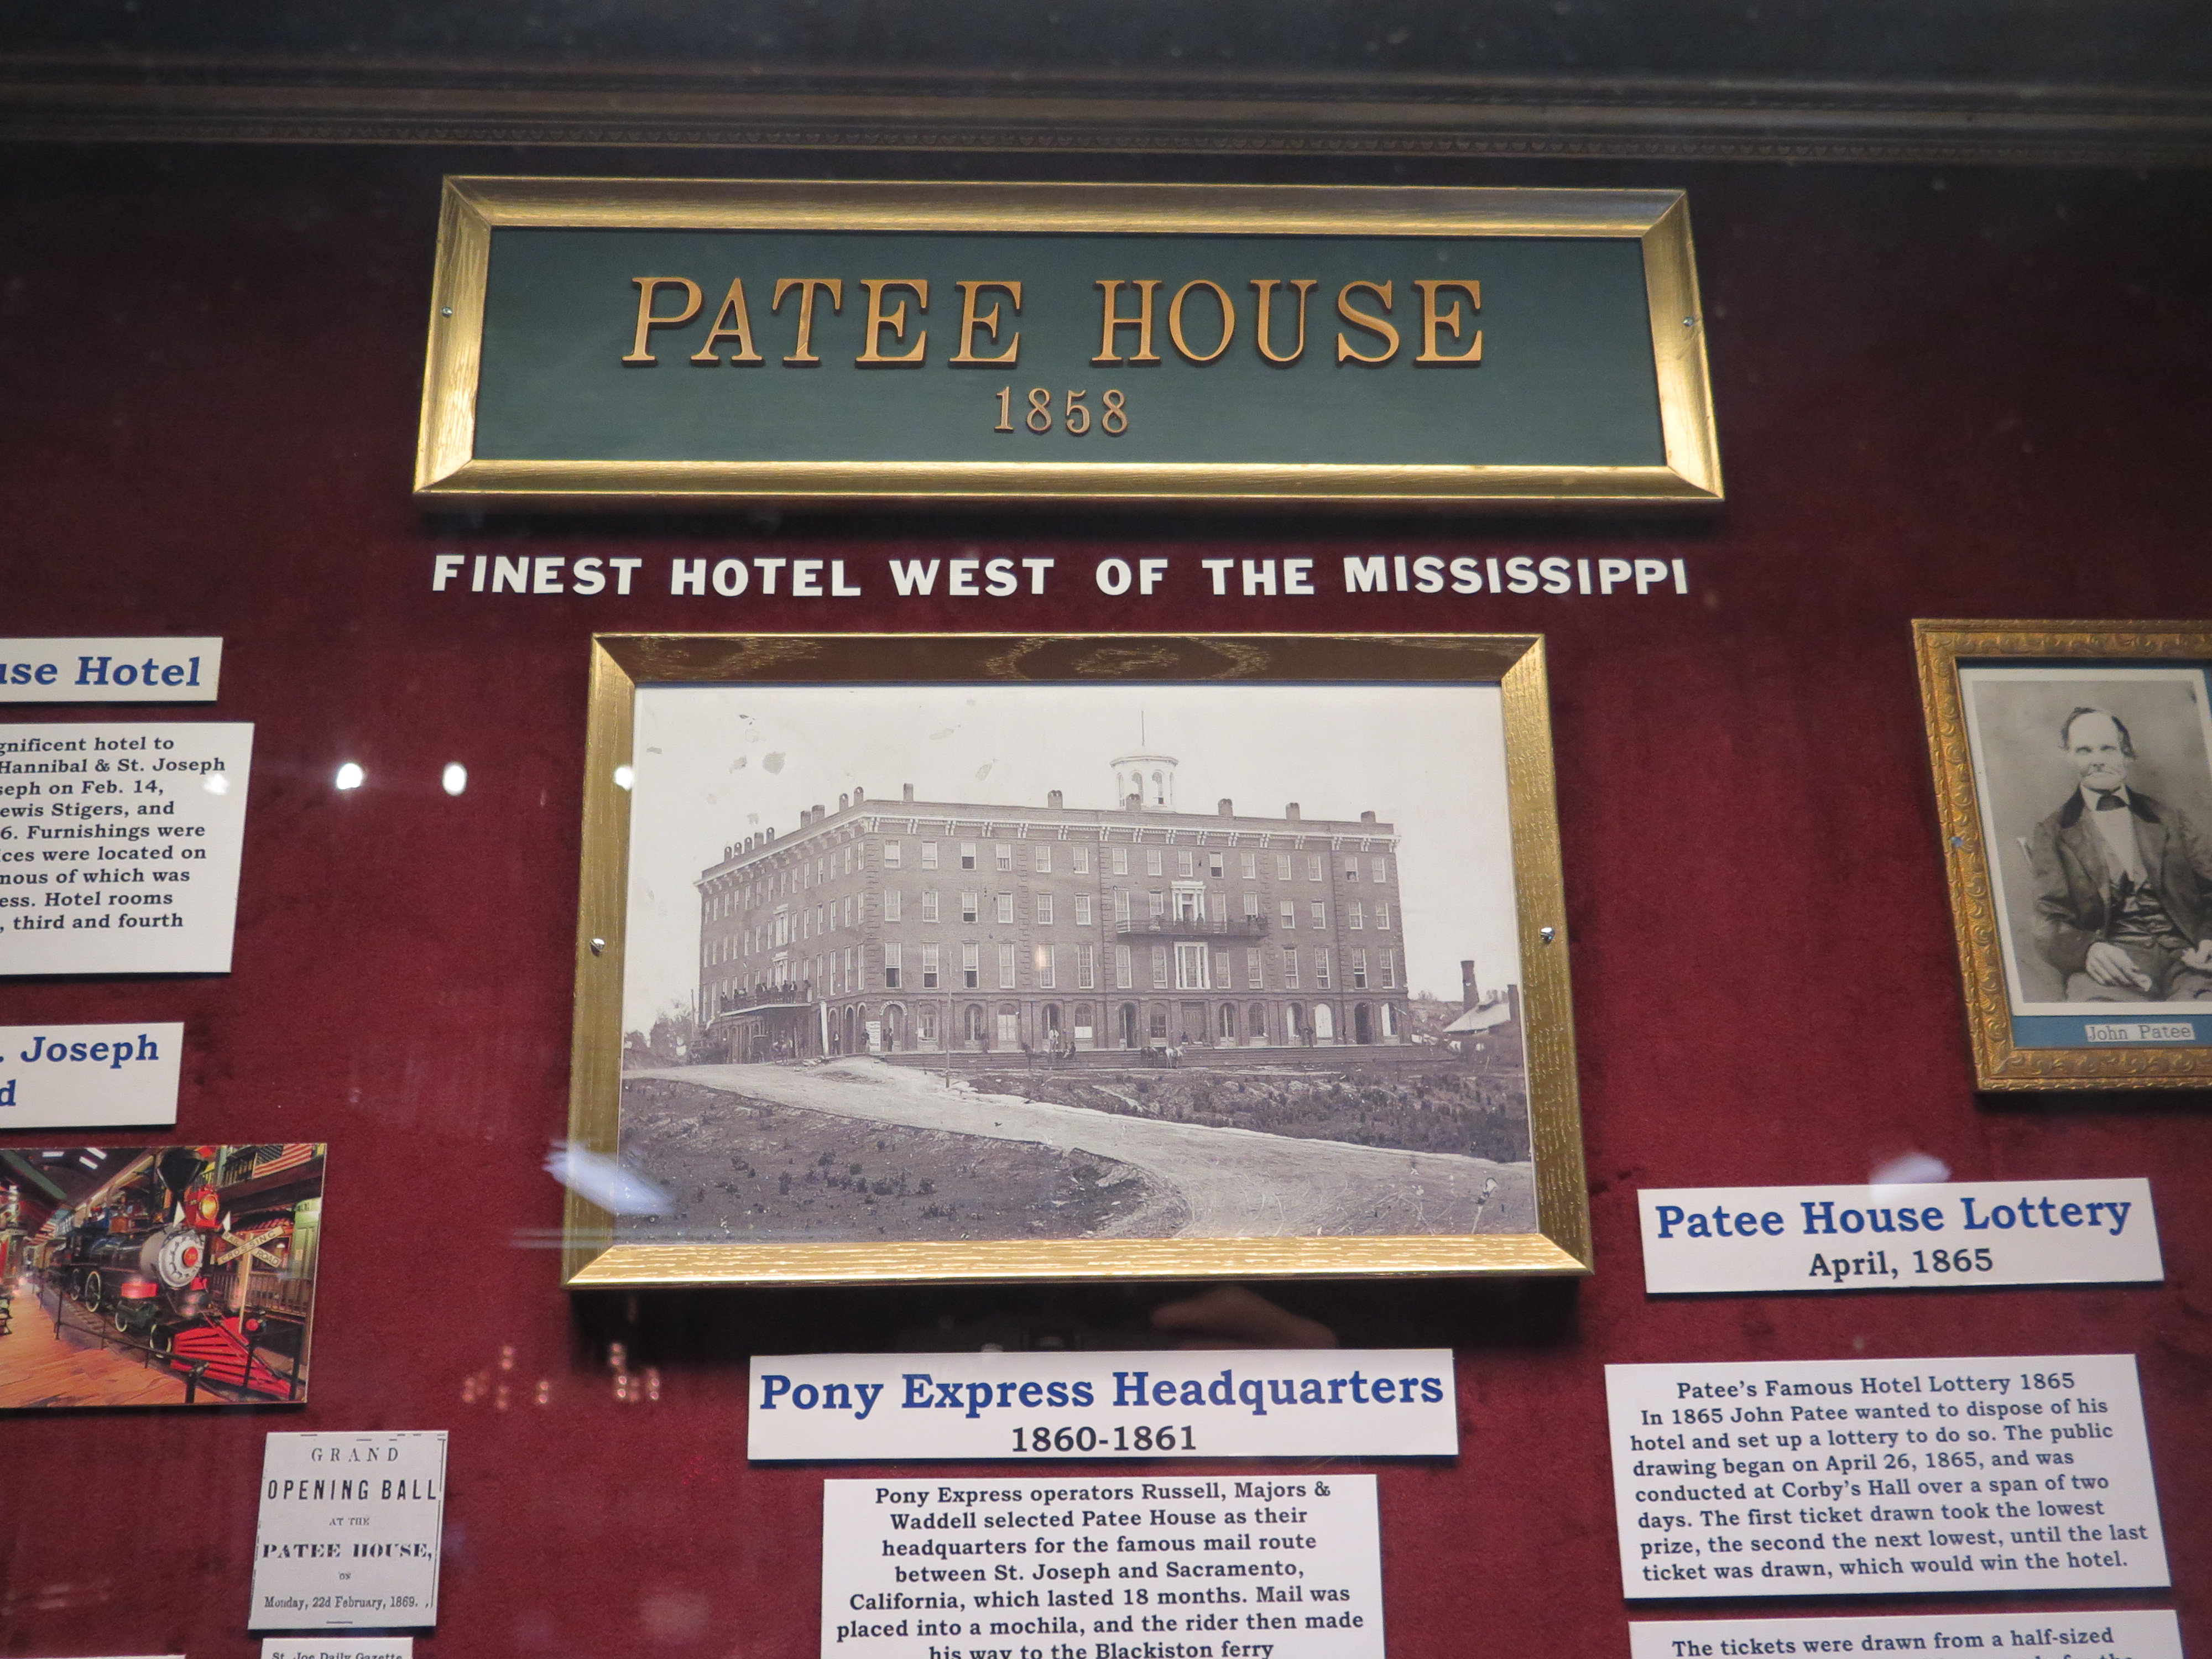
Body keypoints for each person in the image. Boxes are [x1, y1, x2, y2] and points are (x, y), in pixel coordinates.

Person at [2029, 706, 2212, 1001]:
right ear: (2070, 757)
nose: (2098, 760)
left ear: (2127, 755)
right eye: (2085, 751)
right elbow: (2048, 920)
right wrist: (2088, 949)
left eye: (2108, 749)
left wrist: (2208, 939)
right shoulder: (2052, 832)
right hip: (2113, 968)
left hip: (2189, 961)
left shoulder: (2171, 819)